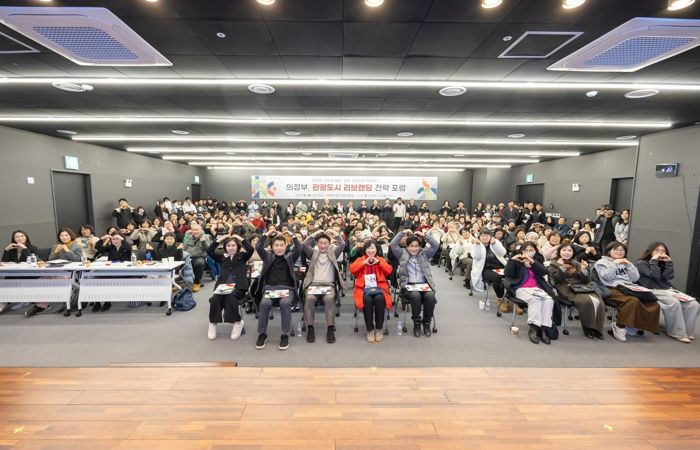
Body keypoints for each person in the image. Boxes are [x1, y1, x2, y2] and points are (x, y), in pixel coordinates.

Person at [594, 242, 661, 342]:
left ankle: (633, 325)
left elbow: (635, 278)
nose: (619, 252)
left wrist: (629, 265)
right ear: (609, 251)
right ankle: (619, 326)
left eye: (622, 250)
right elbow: (607, 277)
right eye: (616, 250)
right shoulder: (601, 262)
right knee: (632, 301)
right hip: (611, 287)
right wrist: (615, 264)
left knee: (652, 302)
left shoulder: (626, 262)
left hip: (629, 287)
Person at [636, 242, 699, 344]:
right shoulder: (641, 263)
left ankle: (687, 332)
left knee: (694, 304)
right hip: (651, 289)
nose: (660, 253)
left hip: (667, 289)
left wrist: (669, 263)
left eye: (663, 251)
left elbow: (668, 277)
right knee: (674, 303)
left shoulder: (663, 263)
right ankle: (677, 333)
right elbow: (654, 275)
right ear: (650, 251)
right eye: (657, 250)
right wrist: (653, 261)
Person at [255, 230, 302, 351]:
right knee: (264, 303)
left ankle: (285, 335)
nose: (279, 248)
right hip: (270, 289)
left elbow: (299, 248)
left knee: (285, 303)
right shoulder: (268, 257)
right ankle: (262, 334)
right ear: (272, 247)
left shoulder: (290, 257)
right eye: (276, 245)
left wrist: (292, 235)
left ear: (286, 246)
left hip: (287, 289)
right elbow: (258, 247)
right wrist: (266, 234)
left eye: (282, 245)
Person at [548, 244, 606, 339]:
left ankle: (598, 329)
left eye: (569, 251)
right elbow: (557, 280)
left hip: (582, 287)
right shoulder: (554, 263)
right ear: (559, 251)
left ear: (573, 253)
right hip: (566, 288)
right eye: (564, 250)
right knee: (587, 302)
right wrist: (561, 268)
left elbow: (585, 280)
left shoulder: (577, 263)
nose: (566, 253)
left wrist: (583, 270)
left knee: (599, 302)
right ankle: (588, 327)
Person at [505, 242, 557, 345]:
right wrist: (512, 260)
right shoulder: (517, 261)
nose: (528, 252)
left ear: (535, 251)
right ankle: (534, 328)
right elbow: (508, 274)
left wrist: (532, 262)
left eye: (531, 250)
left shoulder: (537, 261)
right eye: (526, 250)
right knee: (535, 300)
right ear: (522, 251)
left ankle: (544, 329)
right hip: (521, 288)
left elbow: (544, 272)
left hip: (536, 288)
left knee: (549, 300)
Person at [391, 229, 439, 338]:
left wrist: (424, 235)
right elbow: (393, 244)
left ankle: (426, 323)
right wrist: (402, 232)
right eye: (411, 246)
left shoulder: (424, 254)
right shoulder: (401, 254)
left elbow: (435, 245)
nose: (414, 248)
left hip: (424, 285)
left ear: (419, 246)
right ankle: (417, 323)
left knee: (430, 296)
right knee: (415, 295)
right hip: (409, 286)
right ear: (407, 246)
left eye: (416, 246)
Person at [206, 233, 253, 340]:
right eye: (228, 246)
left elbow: (250, 249)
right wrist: (221, 238)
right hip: (222, 286)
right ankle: (213, 322)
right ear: (225, 247)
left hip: (238, 287)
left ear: (237, 246)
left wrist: (238, 237)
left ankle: (237, 322)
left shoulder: (242, 256)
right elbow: (209, 250)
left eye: (233, 245)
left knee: (230, 297)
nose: (231, 248)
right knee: (215, 298)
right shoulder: (222, 257)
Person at [301, 229, 345, 344]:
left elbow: (342, 244)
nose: (323, 245)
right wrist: (315, 234)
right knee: (309, 299)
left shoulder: (333, 253)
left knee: (329, 299)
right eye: (321, 243)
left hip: (328, 285)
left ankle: (330, 328)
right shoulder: (313, 253)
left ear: (329, 244)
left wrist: (334, 233)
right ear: (317, 243)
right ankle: (310, 328)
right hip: (313, 284)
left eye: (326, 243)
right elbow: (304, 244)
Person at [350, 240, 393, 343]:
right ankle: (370, 329)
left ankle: (379, 329)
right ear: (365, 250)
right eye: (368, 248)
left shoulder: (380, 259)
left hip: (380, 288)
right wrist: (363, 263)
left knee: (380, 299)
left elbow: (389, 271)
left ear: (376, 249)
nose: (371, 250)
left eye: (373, 248)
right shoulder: (360, 259)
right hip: (364, 288)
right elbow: (352, 270)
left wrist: (378, 263)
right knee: (367, 300)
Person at [94, 231, 133, 312]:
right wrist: (102, 239)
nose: (115, 241)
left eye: (117, 239)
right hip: (110, 270)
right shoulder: (110, 247)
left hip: (123, 272)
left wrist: (122, 239)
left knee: (106, 280)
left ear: (121, 239)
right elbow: (98, 247)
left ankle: (107, 302)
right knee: (98, 279)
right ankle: (97, 302)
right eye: (113, 239)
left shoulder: (126, 247)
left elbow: (129, 247)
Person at [471, 229, 507, 303]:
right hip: (486, 269)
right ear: (479, 237)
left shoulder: (496, 242)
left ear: (490, 236)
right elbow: (477, 257)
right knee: (497, 277)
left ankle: (511, 298)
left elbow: (502, 253)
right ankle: (500, 299)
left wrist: (494, 244)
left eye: (487, 236)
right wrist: (477, 245)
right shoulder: (476, 244)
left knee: (515, 274)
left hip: (500, 267)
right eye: (482, 236)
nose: (485, 237)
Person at [182, 223, 211, 292]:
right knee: (179, 263)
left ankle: (197, 283)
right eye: (193, 230)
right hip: (188, 256)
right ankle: (179, 282)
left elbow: (208, 250)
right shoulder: (189, 238)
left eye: (197, 230)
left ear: (200, 230)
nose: (195, 231)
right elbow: (184, 248)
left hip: (199, 256)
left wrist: (203, 242)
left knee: (199, 263)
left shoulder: (205, 237)